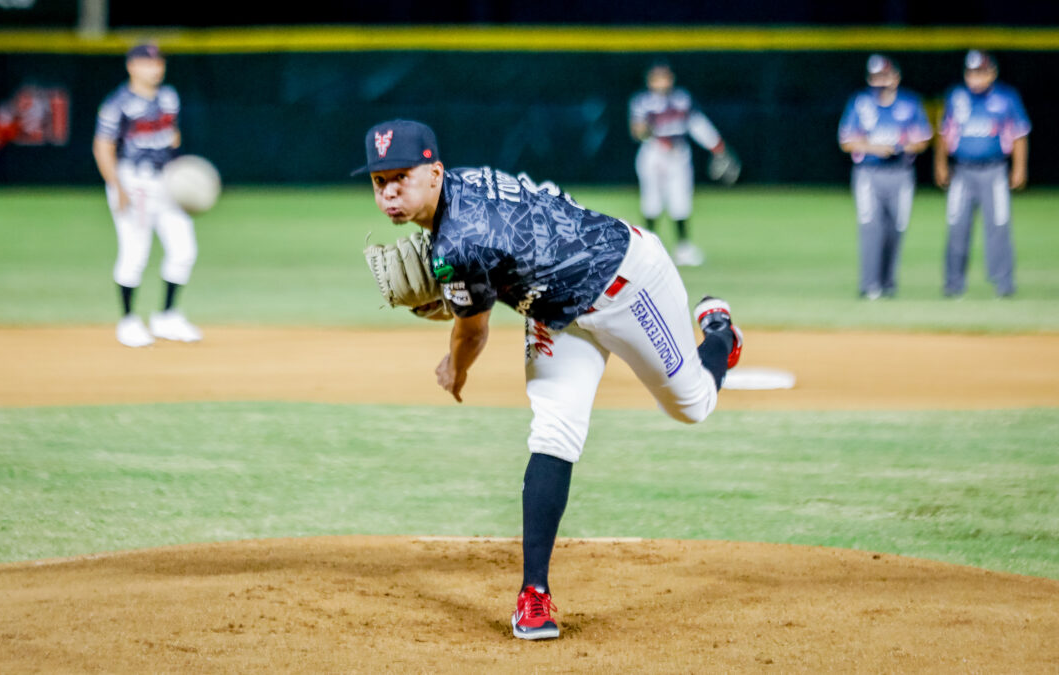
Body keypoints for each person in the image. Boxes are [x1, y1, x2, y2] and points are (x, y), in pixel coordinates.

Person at [354, 119, 743, 641]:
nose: (391, 191)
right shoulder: (460, 194)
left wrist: (455, 368)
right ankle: (533, 596)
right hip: (554, 312)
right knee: (554, 430)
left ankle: (719, 332)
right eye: (380, 182)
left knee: (692, 404)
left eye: (402, 175)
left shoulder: (459, 245)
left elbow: (472, 333)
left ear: (435, 171)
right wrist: (459, 289)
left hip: (627, 282)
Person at [93, 42, 201, 347]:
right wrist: (117, 186)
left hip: (166, 182)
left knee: (184, 250)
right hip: (133, 181)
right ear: (132, 66)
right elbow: (103, 147)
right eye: (148, 63)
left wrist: (181, 177)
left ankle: (167, 316)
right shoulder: (118, 103)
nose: (155, 68)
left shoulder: (169, 97)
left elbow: (173, 134)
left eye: (159, 62)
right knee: (134, 254)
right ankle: (127, 321)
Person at [935, 50, 1031, 298]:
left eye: (980, 72)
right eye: (971, 72)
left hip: (994, 169)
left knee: (999, 225)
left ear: (992, 73)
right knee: (957, 226)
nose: (975, 77)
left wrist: (1019, 168)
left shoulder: (1006, 98)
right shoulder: (956, 96)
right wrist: (941, 164)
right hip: (963, 171)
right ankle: (953, 284)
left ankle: (1004, 283)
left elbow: (1019, 135)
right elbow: (944, 134)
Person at [838, 54, 933, 300]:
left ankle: (888, 284)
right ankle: (869, 285)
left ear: (895, 76)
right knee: (870, 227)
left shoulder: (909, 103)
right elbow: (847, 141)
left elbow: (923, 139)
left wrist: (901, 146)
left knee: (896, 228)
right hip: (869, 173)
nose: (880, 81)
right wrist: (876, 148)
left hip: (900, 173)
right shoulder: (860, 103)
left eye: (884, 75)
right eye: (875, 76)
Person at [628, 63, 734, 267]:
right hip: (654, 154)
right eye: (657, 78)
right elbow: (637, 130)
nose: (662, 82)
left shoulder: (682, 98)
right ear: (650, 81)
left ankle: (683, 249)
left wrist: (717, 146)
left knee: (681, 202)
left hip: (679, 153)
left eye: (665, 77)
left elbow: (697, 124)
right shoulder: (643, 102)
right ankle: (648, 250)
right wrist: (658, 139)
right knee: (652, 202)